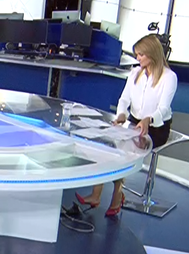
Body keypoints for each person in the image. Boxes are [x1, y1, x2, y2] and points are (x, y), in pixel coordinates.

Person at [66, 33, 177, 220]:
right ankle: (98, 194)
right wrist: (121, 114)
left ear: (153, 54)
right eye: (137, 54)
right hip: (134, 122)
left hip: (156, 127)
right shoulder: (135, 73)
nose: (137, 58)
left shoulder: (169, 77)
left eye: (141, 55)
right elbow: (124, 99)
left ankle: (116, 196)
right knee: (107, 145)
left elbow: (164, 109)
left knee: (123, 153)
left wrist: (148, 120)